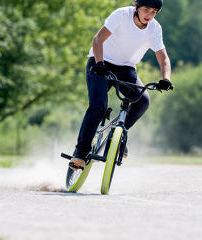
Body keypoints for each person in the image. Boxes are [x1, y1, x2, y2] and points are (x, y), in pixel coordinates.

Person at [70, 0, 172, 169]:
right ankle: (80, 152)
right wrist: (100, 63)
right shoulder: (121, 15)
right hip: (100, 62)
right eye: (146, 9)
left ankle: (118, 136)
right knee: (98, 107)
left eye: (154, 12)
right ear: (136, 5)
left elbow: (163, 58)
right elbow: (97, 40)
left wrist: (166, 79)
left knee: (142, 101)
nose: (149, 15)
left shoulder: (155, 28)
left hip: (126, 68)